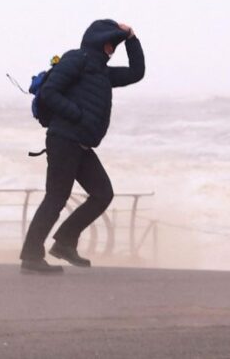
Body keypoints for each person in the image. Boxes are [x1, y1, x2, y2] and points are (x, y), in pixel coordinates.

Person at [19, 19, 145, 274]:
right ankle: (31, 257)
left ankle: (65, 242)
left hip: (81, 144)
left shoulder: (102, 73)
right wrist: (77, 116)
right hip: (64, 139)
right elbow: (50, 92)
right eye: (113, 44)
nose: (113, 50)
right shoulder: (77, 59)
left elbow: (136, 72)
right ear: (102, 41)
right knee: (56, 197)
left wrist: (132, 39)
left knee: (102, 194)